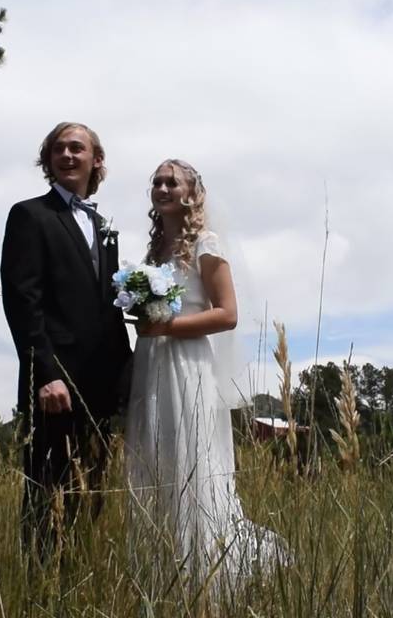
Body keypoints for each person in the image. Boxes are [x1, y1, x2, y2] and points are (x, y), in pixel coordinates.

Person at [125, 158, 284, 589]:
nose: (161, 187)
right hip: (151, 363)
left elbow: (227, 315)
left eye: (171, 182)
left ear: (191, 193)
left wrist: (166, 327)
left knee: (190, 464)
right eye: (156, 181)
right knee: (155, 461)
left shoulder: (207, 244)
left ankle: (203, 575)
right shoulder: (152, 253)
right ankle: (160, 574)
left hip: (187, 364)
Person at [0, 122, 132, 558]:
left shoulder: (102, 225)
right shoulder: (30, 215)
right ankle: (39, 588)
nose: (67, 155)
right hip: (55, 389)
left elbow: (108, 311)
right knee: (46, 497)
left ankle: (76, 579)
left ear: (96, 161)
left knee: (89, 497)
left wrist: (127, 374)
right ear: (48, 160)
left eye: (78, 148)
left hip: (100, 388)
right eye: (59, 149)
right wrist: (45, 374)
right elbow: (23, 300)